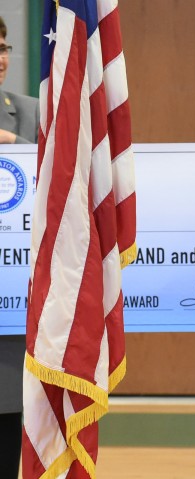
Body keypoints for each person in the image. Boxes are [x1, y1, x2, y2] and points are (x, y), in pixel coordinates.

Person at [0, 15, 39, 479]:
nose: (1, 58)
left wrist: (15, 145)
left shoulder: (28, 112)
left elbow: (63, 179)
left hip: (9, 320)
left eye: (5, 47)